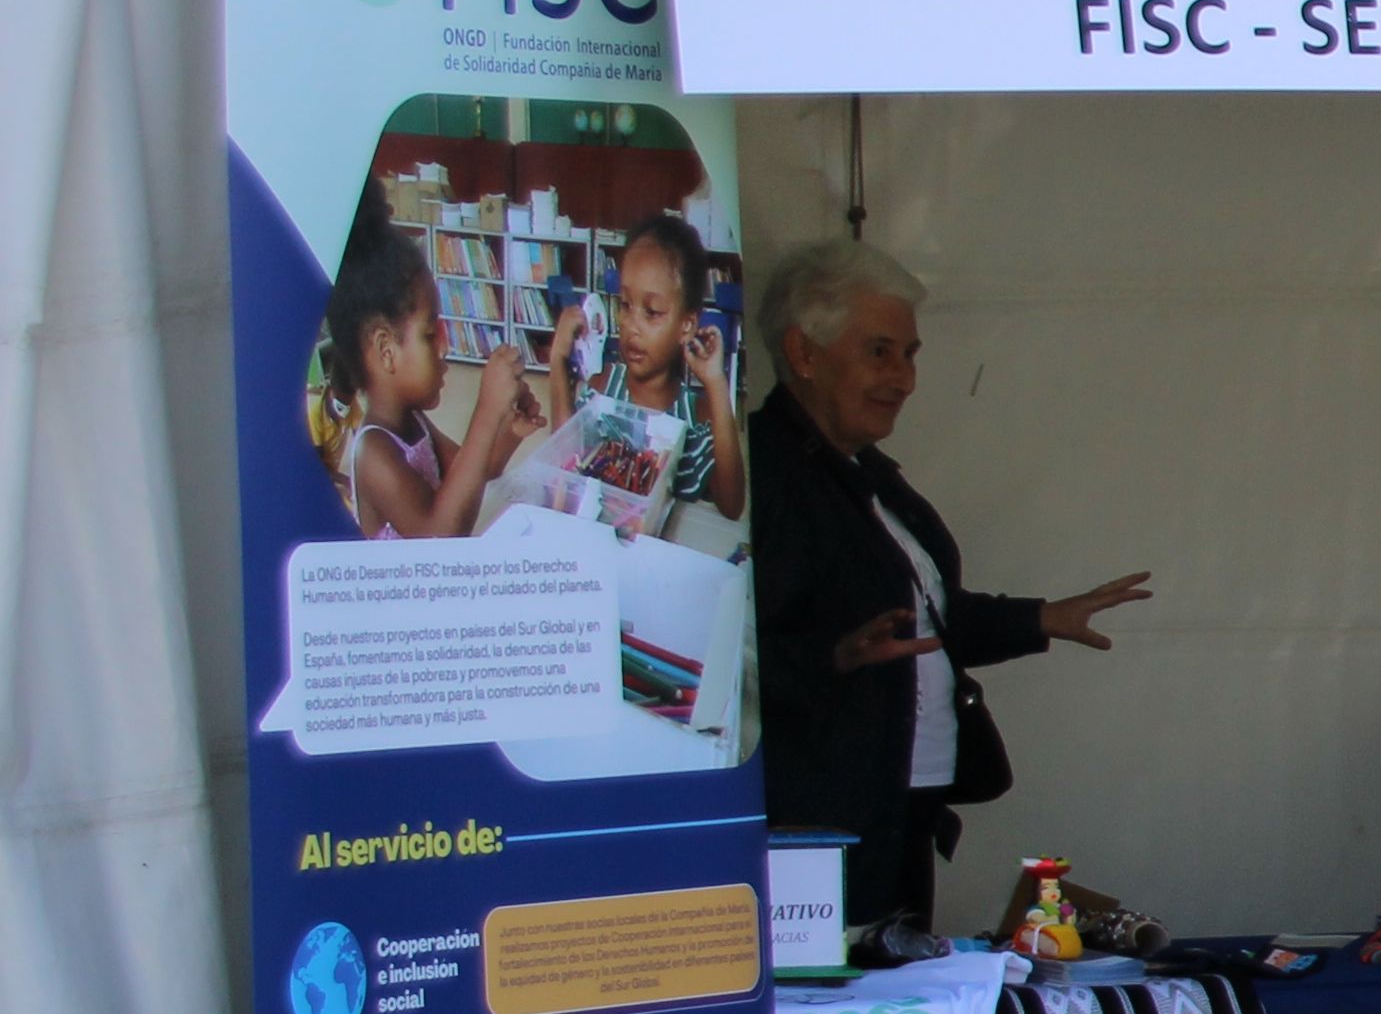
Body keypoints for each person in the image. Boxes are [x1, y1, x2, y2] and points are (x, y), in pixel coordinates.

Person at [748, 244, 1153, 937]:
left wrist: (1043, 619)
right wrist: (833, 659)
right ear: (804, 353)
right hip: (820, 822)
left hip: (902, 803)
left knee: (904, 994)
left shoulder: (868, 477)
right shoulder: (765, 476)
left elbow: (923, 622)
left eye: (910, 355)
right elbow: (726, 658)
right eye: (880, 352)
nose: (903, 379)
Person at [497, 212, 747, 539]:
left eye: (652, 312)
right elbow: (566, 454)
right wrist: (558, 360)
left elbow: (732, 505)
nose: (631, 325)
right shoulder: (603, 388)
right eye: (625, 305)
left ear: (686, 325)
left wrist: (715, 383)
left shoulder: (696, 417)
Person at [314, 216, 543, 539]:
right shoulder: (374, 452)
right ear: (386, 351)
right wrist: (486, 412)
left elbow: (475, 471)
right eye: (429, 334)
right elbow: (438, 538)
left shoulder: (414, 422)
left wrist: (506, 431)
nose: (444, 348)